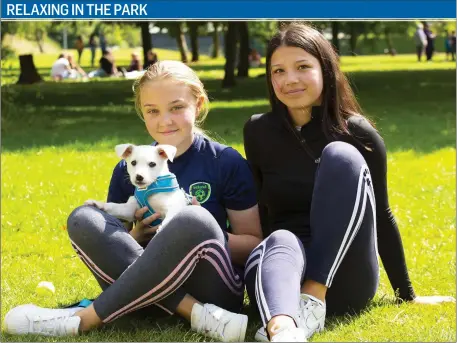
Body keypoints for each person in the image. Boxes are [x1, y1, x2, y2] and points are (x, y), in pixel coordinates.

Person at [4, 60, 263, 342]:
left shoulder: (225, 162)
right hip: (143, 293)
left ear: (198, 105)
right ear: (142, 113)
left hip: (213, 291)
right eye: (152, 111)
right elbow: (115, 243)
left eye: (176, 107)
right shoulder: (129, 168)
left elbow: (253, 243)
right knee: (84, 217)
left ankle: (84, 319)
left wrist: (195, 236)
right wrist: (136, 235)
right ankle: (193, 312)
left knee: (191, 219)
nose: (165, 120)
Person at [243, 23, 455, 343]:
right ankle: (283, 324)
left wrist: (407, 294)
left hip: (345, 278)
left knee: (340, 155)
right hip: (286, 272)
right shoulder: (257, 131)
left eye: (303, 67)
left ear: (326, 71)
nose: (289, 79)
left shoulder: (357, 134)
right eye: (278, 71)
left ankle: (313, 299)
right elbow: (260, 209)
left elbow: (380, 215)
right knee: (282, 237)